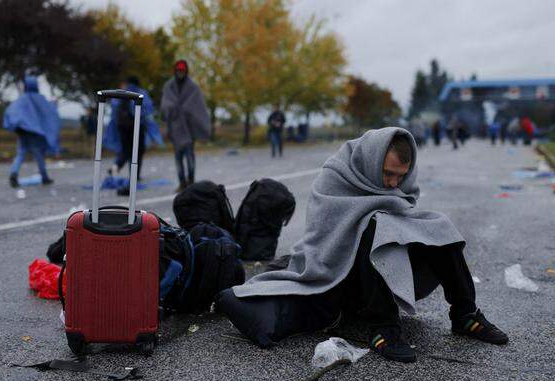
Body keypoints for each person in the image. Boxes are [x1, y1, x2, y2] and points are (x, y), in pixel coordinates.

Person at [217, 127, 508, 363]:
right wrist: (379, 220)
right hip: (338, 273)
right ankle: (384, 329)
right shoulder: (336, 176)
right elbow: (324, 236)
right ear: (372, 161)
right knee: (376, 226)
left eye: (400, 176)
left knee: (438, 224)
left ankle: (465, 313)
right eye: (388, 173)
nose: (394, 185)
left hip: (383, 272)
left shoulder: (396, 187)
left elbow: (404, 214)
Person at [160, 60, 211, 192]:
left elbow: (198, 107)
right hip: (176, 128)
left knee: (189, 157)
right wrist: (171, 109)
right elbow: (165, 104)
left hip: (189, 129)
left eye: (182, 70)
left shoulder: (193, 87)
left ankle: (191, 181)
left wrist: (186, 110)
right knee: (178, 159)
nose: (180, 73)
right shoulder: (169, 87)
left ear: (186, 71)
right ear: (175, 71)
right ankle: (182, 183)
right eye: (178, 70)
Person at [103, 76, 162, 187]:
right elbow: (147, 110)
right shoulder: (140, 92)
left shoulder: (120, 93)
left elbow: (114, 110)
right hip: (137, 127)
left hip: (122, 127)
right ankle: (134, 175)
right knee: (137, 151)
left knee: (125, 150)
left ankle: (115, 168)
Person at [3, 76, 60, 188]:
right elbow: (49, 113)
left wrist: (16, 125)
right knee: (38, 156)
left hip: (22, 132)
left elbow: (11, 112)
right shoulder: (40, 100)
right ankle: (44, 177)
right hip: (35, 134)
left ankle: (13, 173)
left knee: (20, 154)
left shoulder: (21, 100)